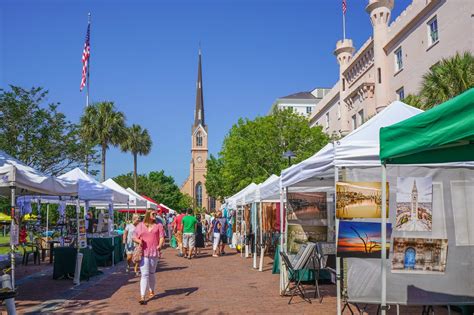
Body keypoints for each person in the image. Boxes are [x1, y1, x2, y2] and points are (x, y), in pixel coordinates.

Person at [133, 210, 165, 305]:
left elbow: (161, 237)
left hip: (154, 252)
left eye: (156, 214)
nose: (155, 215)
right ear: (148, 215)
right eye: (153, 214)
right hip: (143, 252)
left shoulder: (158, 225)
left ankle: (151, 289)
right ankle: (142, 296)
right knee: (144, 274)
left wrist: (159, 245)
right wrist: (139, 241)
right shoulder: (140, 226)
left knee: (152, 272)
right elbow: (134, 236)